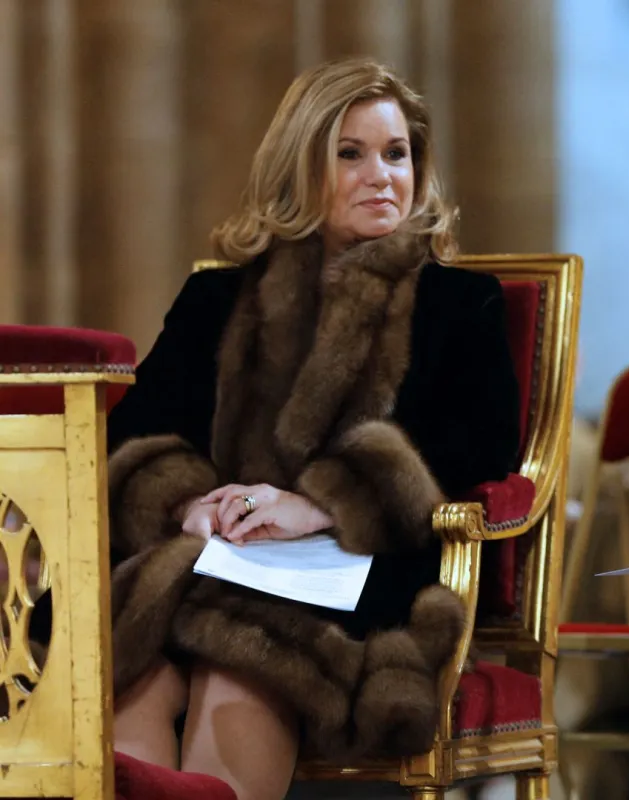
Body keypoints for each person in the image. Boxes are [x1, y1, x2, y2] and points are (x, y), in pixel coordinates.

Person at [105, 57, 520, 800]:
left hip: (365, 575)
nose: (382, 176)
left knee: (239, 657)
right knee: (134, 674)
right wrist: (189, 502)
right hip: (218, 560)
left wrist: (323, 504)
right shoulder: (217, 296)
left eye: (397, 154)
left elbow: (480, 450)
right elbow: (137, 431)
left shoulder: (460, 303)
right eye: (351, 154)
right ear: (302, 168)